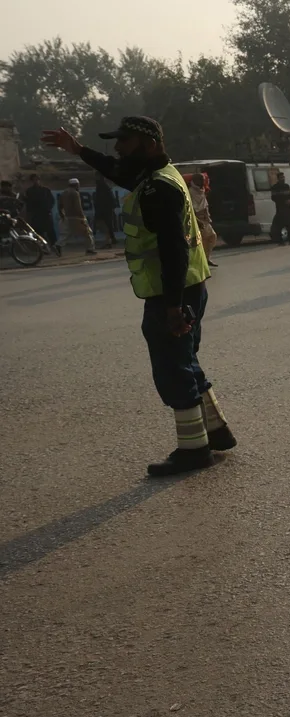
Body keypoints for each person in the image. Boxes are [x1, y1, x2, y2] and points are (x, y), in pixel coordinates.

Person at [42, 116, 236, 476]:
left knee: (172, 367)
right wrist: (78, 150)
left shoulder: (158, 188)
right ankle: (216, 430)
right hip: (189, 285)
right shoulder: (159, 175)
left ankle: (194, 451)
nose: (117, 148)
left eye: (125, 141)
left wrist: (174, 307)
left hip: (172, 292)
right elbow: (117, 171)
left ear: (149, 144)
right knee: (185, 358)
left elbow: (173, 248)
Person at [186, 172, 219, 268]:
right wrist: (196, 220)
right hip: (196, 219)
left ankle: (206, 258)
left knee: (212, 237)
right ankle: (198, 262)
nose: (202, 181)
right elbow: (190, 208)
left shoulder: (202, 190)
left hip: (205, 219)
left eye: (203, 180)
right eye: (200, 180)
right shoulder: (190, 192)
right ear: (194, 181)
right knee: (196, 242)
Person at [24, 174, 59, 255]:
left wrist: (48, 209)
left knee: (51, 232)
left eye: (37, 179)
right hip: (36, 215)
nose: (36, 181)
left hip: (46, 214)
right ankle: (43, 249)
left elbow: (51, 201)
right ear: (32, 181)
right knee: (38, 233)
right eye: (34, 180)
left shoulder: (45, 190)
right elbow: (28, 203)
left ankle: (56, 248)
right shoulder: (29, 191)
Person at [59, 178, 96, 254]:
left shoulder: (64, 193)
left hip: (67, 216)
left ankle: (58, 245)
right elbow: (77, 206)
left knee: (66, 233)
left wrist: (62, 214)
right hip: (77, 217)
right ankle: (90, 249)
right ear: (76, 185)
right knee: (88, 233)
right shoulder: (75, 193)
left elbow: (60, 205)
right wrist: (82, 217)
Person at [269, 170, 290, 245]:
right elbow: (274, 198)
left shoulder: (287, 186)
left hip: (288, 208)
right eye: (281, 177)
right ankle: (280, 241)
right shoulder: (275, 187)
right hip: (280, 209)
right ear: (278, 178)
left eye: (283, 177)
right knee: (280, 225)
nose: (283, 178)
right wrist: (284, 201)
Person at [94, 173, 118, 248]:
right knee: (107, 225)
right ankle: (111, 239)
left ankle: (110, 241)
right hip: (104, 209)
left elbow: (109, 198)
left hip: (105, 210)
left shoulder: (103, 187)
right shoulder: (101, 186)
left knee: (107, 225)